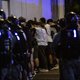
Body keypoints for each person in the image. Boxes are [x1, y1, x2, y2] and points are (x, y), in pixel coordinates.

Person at [53, 12, 80, 80]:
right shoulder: (78, 32)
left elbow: (54, 45)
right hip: (78, 59)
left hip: (66, 60)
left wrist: (59, 55)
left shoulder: (62, 33)